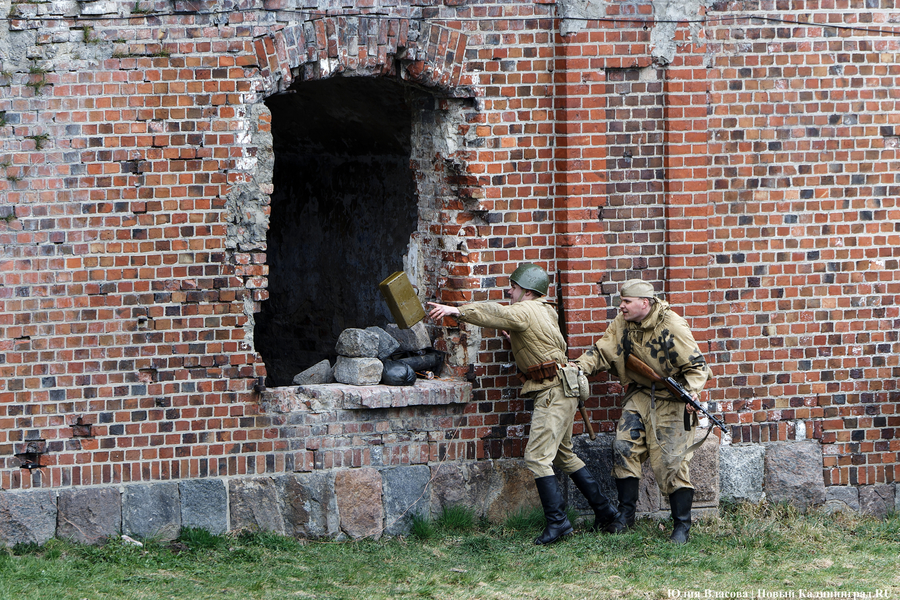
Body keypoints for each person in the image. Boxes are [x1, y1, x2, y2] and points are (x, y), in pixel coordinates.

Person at [427, 263, 619, 545]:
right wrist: (516, 337)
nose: (509, 290)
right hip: (565, 388)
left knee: (538, 458)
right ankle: (607, 514)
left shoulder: (525, 311)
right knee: (564, 455)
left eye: (513, 287)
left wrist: (458, 311)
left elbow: (497, 313)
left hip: (553, 392)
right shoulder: (545, 309)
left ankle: (559, 523)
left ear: (527, 291)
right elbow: (533, 335)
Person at [572, 278, 712, 543]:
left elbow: (697, 367)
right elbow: (604, 349)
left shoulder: (673, 326)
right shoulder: (622, 323)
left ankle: (681, 526)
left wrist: (692, 391)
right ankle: (625, 517)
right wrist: (579, 367)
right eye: (622, 301)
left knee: (672, 462)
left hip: (672, 400)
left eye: (626, 302)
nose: (621, 306)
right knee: (624, 447)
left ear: (644, 303)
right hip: (639, 395)